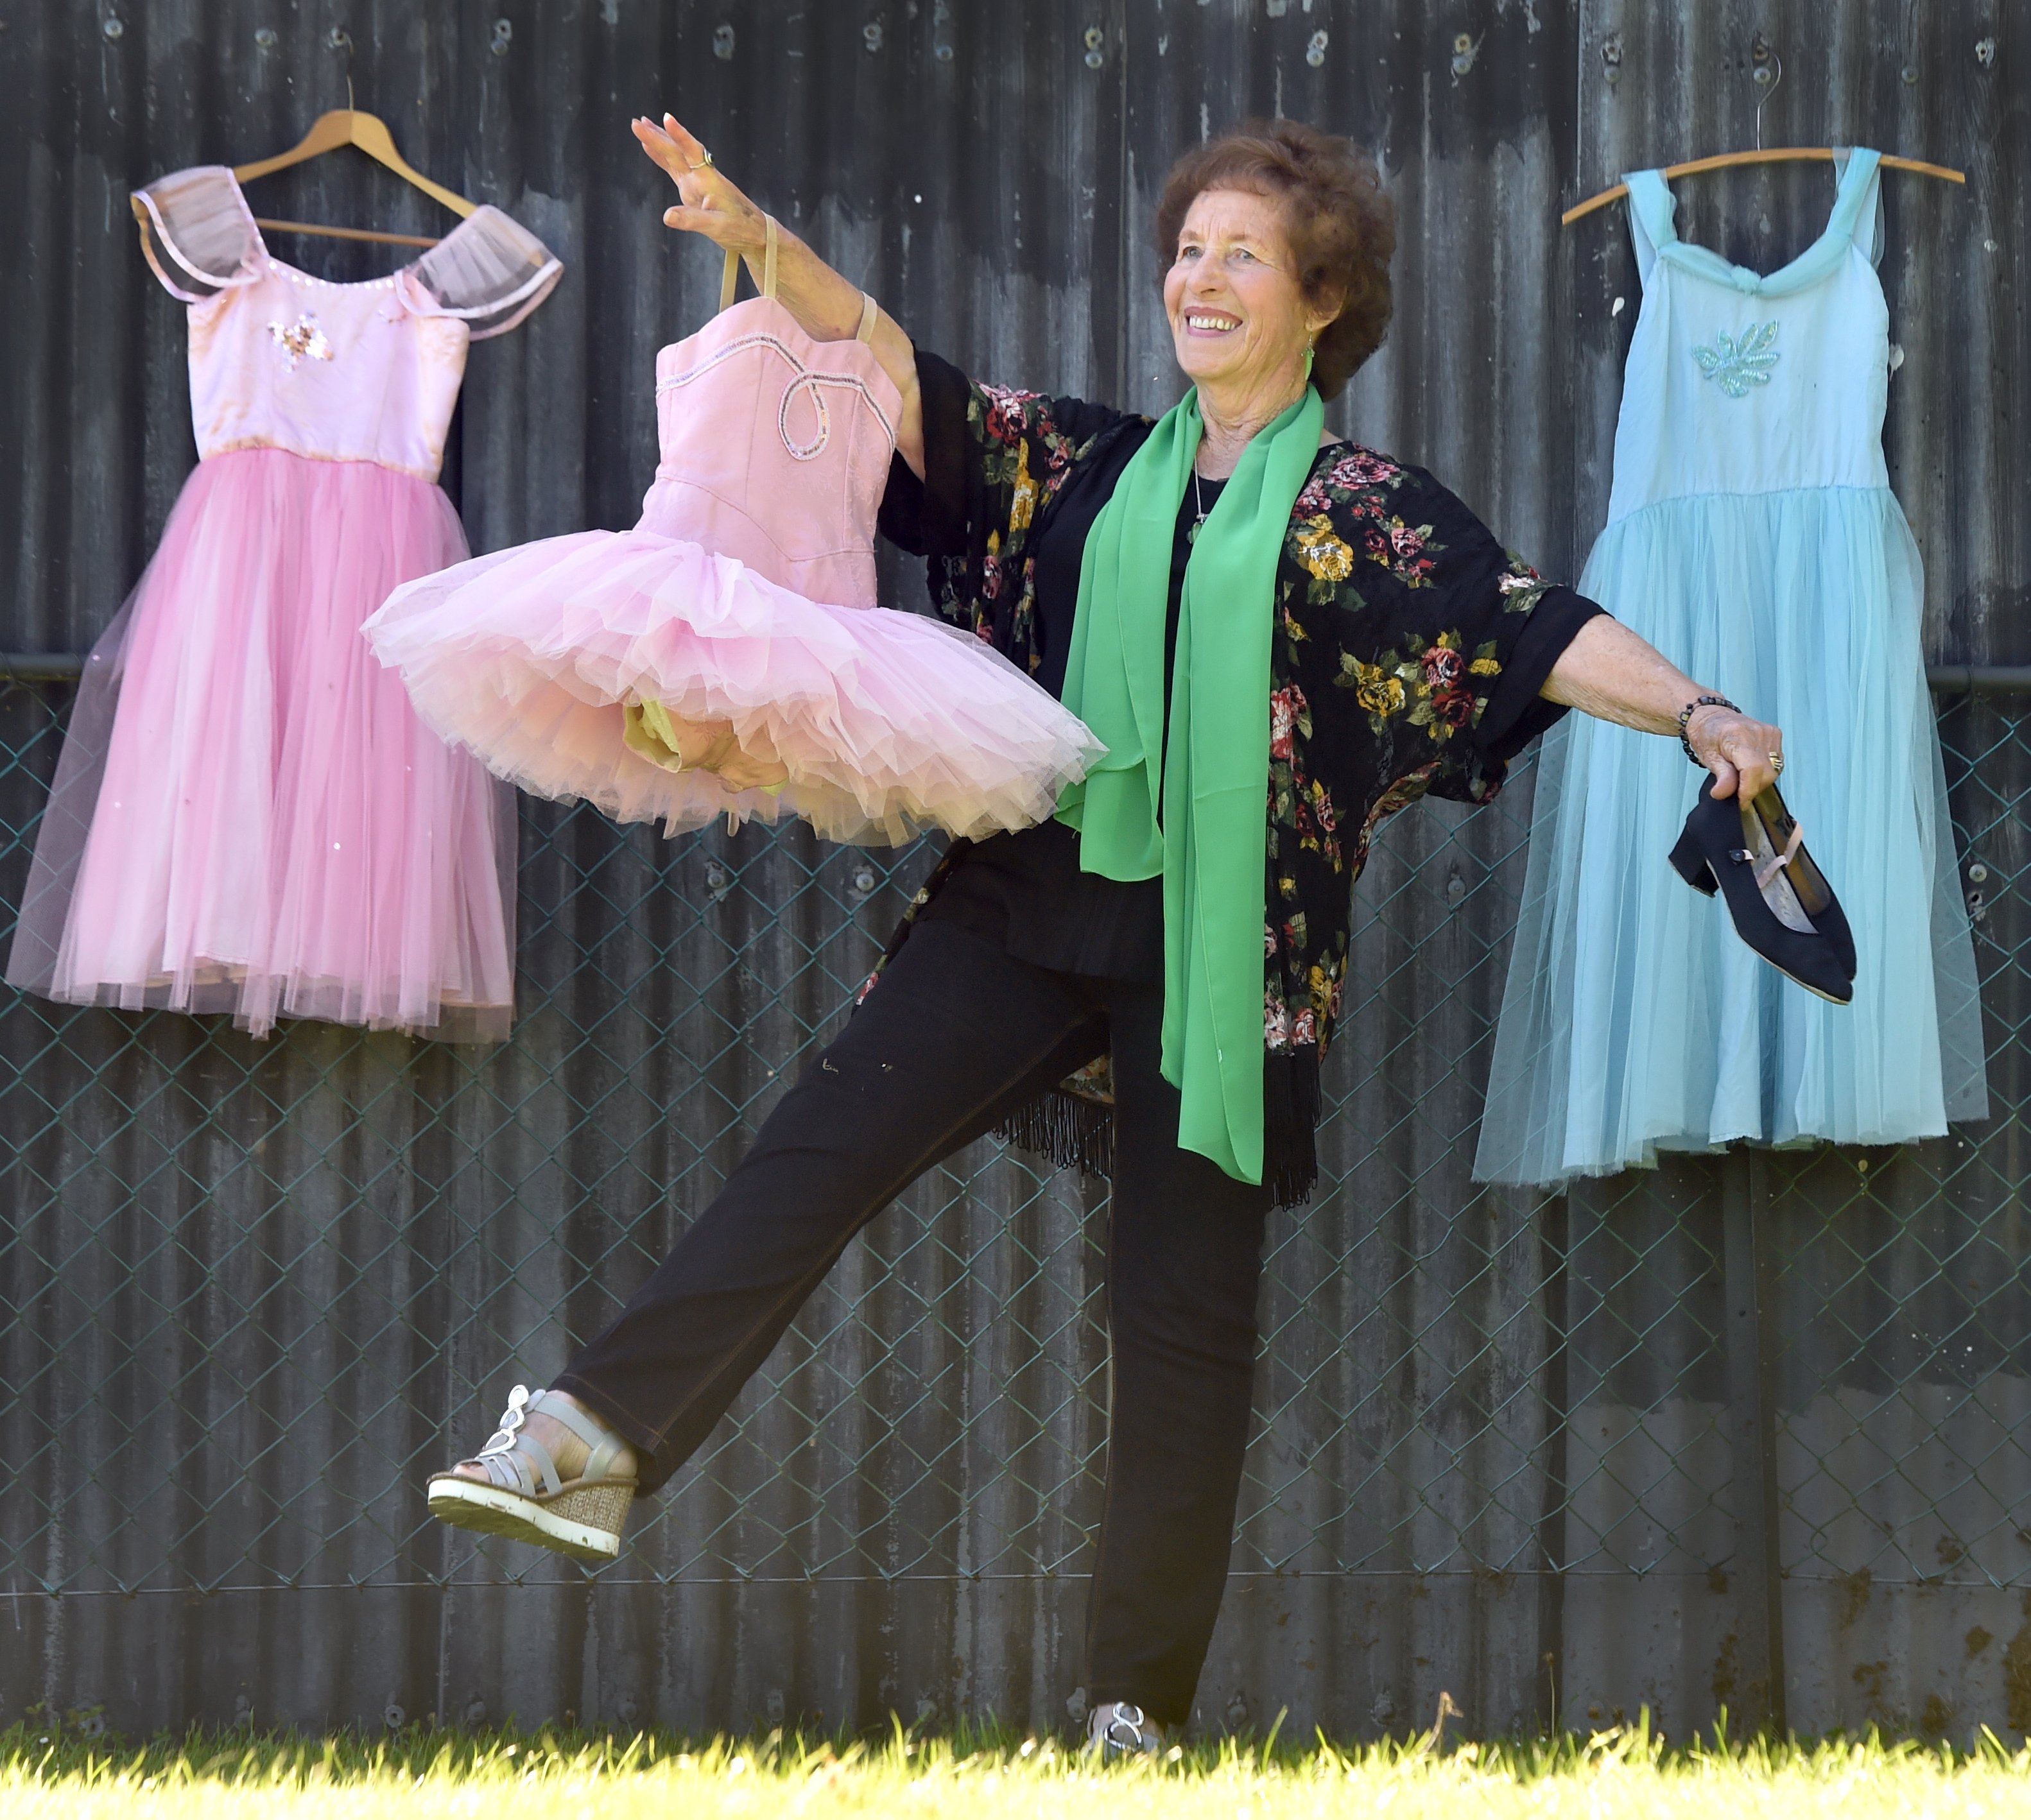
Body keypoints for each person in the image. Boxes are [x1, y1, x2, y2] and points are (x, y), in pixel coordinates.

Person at [428, 112, 1787, 1753]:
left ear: (1320, 296)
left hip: (1221, 965)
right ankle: (589, 1437)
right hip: (1022, 907)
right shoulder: (1075, 463)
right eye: (1186, 248)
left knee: (1181, 1324)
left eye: (1240, 255)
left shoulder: (1367, 514)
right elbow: (884, 368)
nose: (1197, 278)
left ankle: (1134, 1705)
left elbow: (1531, 629)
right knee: (813, 1151)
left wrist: (1701, 708)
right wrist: (756, 229)